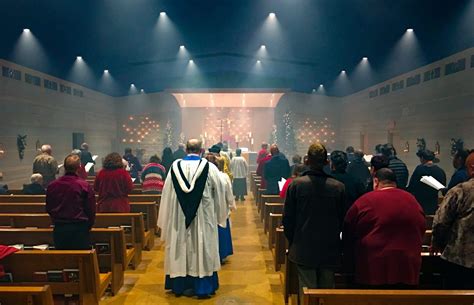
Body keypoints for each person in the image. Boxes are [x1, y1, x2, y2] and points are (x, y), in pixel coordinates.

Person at [158, 139, 227, 298]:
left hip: (179, 219)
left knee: (180, 247)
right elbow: (220, 192)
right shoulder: (210, 168)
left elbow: (167, 195)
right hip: (203, 218)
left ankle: (179, 286)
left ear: (186, 150)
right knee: (202, 248)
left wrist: (168, 217)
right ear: (201, 150)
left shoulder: (174, 168)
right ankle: (202, 287)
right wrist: (218, 212)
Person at [343, 168, 426, 288]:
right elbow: (422, 227)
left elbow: (348, 230)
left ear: (376, 181)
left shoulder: (365, 201)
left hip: (373, 268)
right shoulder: (412, 200)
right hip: (407, 267)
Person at [283, 143, 345, 299]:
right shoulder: (338, 187)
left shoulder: (296, 185)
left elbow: (288, 219)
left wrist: (293, 241)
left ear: (307, 161)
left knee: (307, 293)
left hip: (303, 246)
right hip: (330, 247)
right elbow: (343, 219)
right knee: (327, 294)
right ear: (326, 162)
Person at [431, 151, 474, 289]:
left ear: (472, 168)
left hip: (460, 259)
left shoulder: (460, 191)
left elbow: (441, 222)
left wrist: (437, 243)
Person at [46, 154, 96, 250]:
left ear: (64, 167)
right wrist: (89, 225)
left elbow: (49, 207)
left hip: (60, 227)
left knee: (62, 258)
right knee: (80, 260)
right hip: (79, 227)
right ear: (79, 167)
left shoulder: (52, 185)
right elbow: (90, 209)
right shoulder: (84, 185)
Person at [205, 153, 236, 263]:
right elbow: (228, 193)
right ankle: (221, 254)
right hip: (221, 208)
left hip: (206, 210)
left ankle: (209, 256)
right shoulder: (223, 176)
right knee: (221, 228)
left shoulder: (201, 176)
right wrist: (231, 204)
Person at [407, 150, 446, 215]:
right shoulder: (440, 171)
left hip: (420, 202)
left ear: (422, 158)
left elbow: (412, 186)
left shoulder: (419, 169)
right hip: (433, 203)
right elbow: (443, 188)